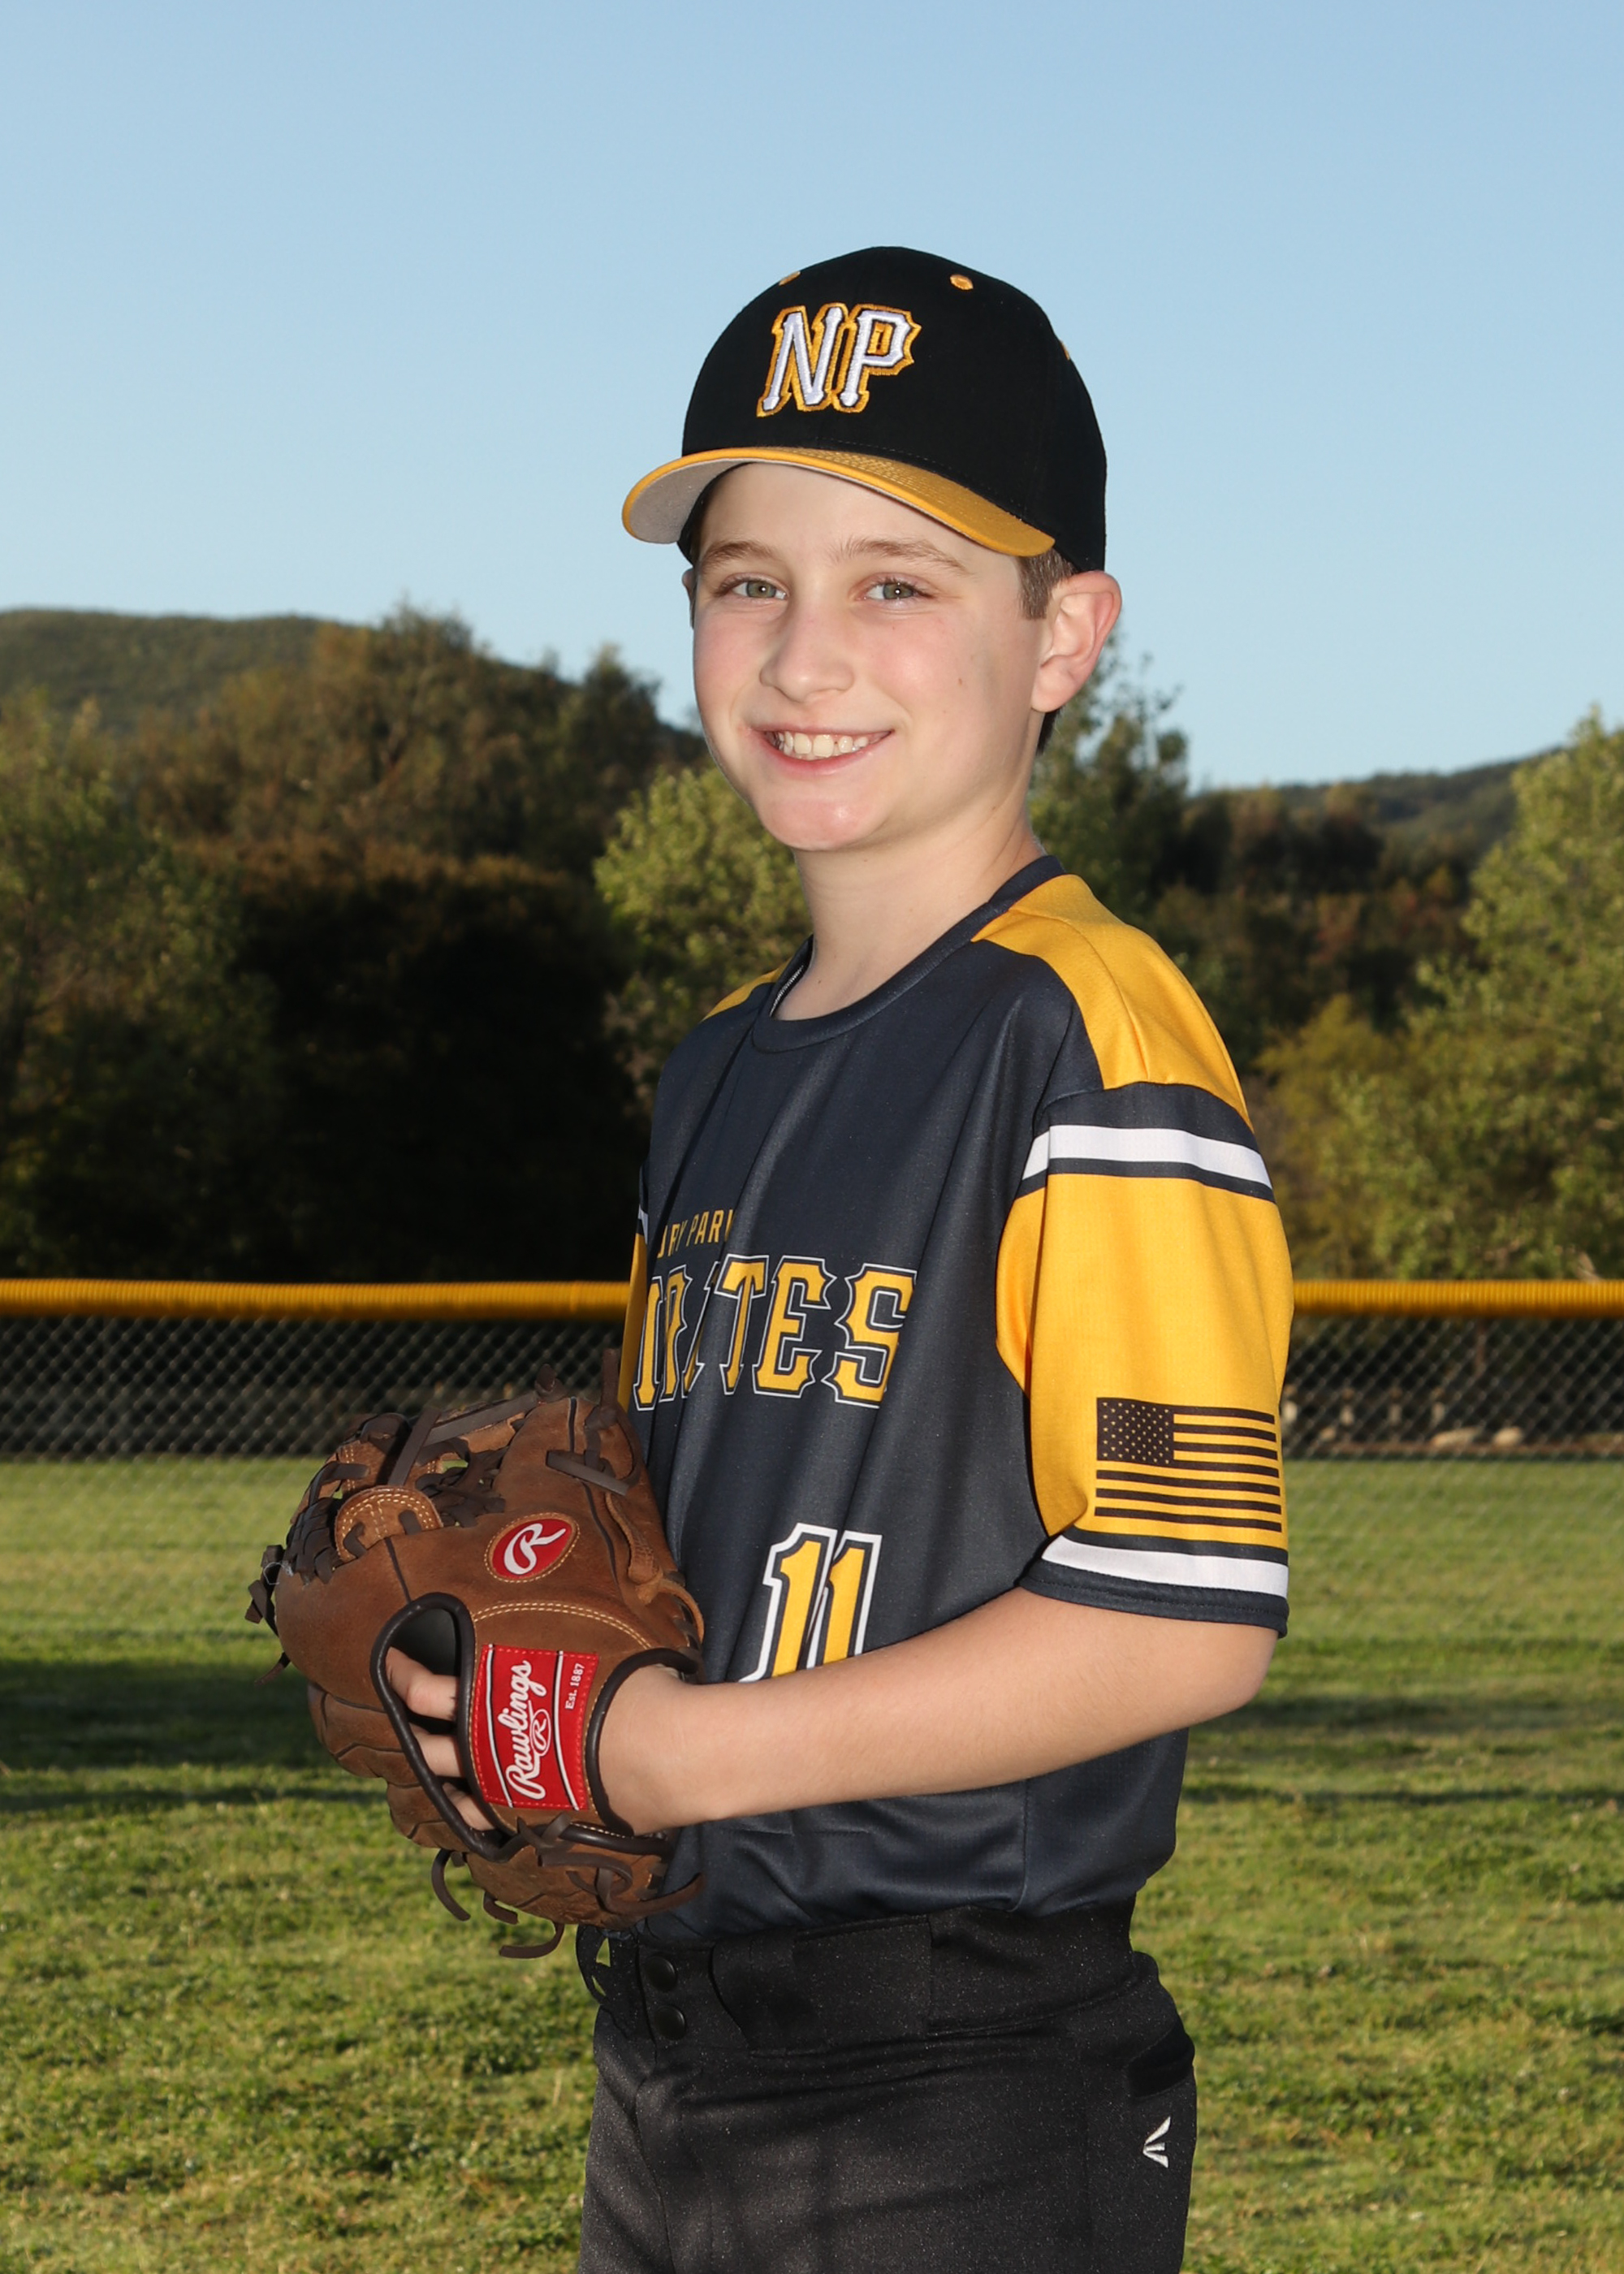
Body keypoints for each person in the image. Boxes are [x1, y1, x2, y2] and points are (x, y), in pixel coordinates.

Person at [395, 245, 1293, 2272]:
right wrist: (532, 1660)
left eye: (897, 584)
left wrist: (671, 1748)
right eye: (747, 582)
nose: (806, 656)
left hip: (961, 2061)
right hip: (674, 2037)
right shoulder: (712, 1068)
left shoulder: (1086, 1034)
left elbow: (1184, 1615)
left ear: (1064, 635)